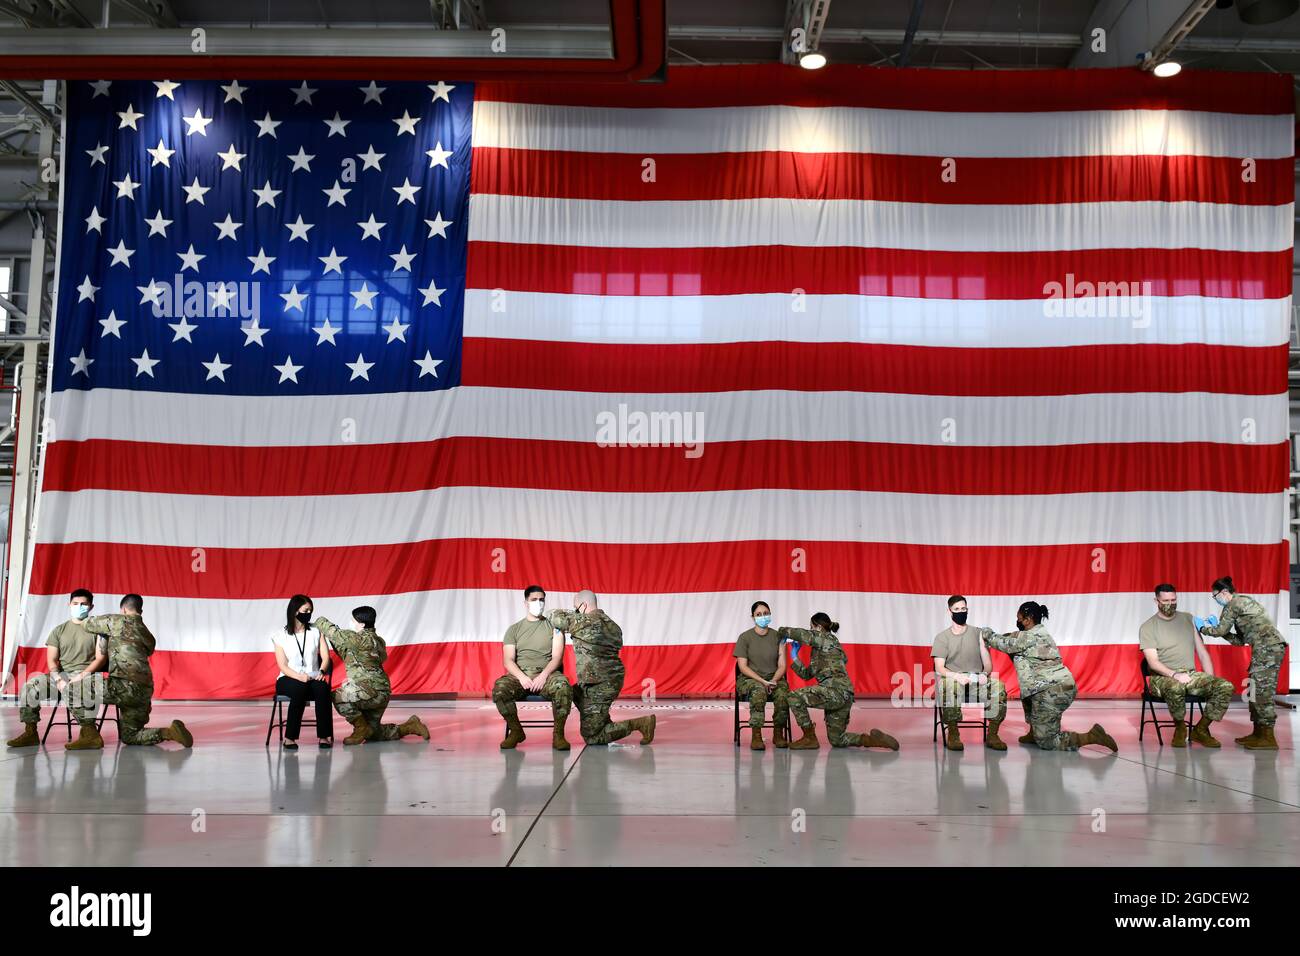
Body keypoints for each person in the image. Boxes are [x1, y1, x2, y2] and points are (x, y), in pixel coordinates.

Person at [982, 601, 1116, 753]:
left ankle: (1092, 736)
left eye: (1019, 618)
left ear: (1028, 619)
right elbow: (1012, 638)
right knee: (1030, 695)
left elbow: (1003, 643)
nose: (1018, 621)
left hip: (1051, 690)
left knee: (1048, 742)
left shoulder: (1029, 637)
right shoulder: (1038, 633)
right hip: (1054, 687)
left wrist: (985, 632)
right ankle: (1034, 732)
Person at [69, 594, 193, 749]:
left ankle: (89, 736)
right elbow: (146, 651)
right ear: (140, 610)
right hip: (144, 692)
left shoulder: (116, 620)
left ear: (124, 609)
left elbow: (87, 624)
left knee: (73, 688)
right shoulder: (147, 634)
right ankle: (169, 732)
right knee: (131, 736)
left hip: (122, 687)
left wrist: (81, 611)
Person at [546, 590, 655, 746]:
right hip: (610, 679)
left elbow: (552, 615)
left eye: (576, 607)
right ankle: (600, 719)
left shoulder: (583, 621)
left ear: (583, 606)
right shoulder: (613, 625)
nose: (575, 611)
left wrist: (572, 613)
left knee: (592, 737)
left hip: (599, 684)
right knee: (573, 692)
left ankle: (640, 723)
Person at [778, 612, 898, 750]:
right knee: (837, 739)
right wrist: (794, 656)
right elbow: (806, 674)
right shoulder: (827, 649)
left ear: (818, 627)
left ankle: (809, 737)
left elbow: (802, 634)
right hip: (844, 696)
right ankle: (871, 740)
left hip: (834, 692)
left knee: (793, 696)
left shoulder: (826, 638)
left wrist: (781, 631)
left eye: (811, 627)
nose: (810, 630)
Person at [314, 607, 429, 745]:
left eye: (353, 620)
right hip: (381, 691)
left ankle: (360, 728)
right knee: (374, 733)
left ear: (362, 624)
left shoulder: (358, 639)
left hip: (370, 691)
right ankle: (410, 726)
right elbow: (351, 654)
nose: (351, 622)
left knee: (338, 696)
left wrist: (319, 621)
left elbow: (334, 633)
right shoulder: (378, 641)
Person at [1198, 575, 1288, 750]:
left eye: (1215, 596)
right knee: (1254, 690)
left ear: (1224, 592)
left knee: (1262, 693)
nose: (1215, 599)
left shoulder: (1233, 604)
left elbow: (1220, 630)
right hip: (1265, 649)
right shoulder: (1243, 603)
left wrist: (1203, 628)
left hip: (1267, 649)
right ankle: (1258, 734)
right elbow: (1240, 641)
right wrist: (1221, 632)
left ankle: (1268, 738)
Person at [1138, 583, 1233, 748]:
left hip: (1189, 674)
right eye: (1166, 600)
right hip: (1161, 678)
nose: (1170, 604)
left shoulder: (1187, 619)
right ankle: (1180, 727)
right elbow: (1152, 662)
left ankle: (1201, 730)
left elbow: (1202, 653)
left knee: (1224, 686)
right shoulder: (1148, 627)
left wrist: (1210, 678)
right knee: (1176, 687)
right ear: (1157, 601)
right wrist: (1175, 675)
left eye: (1173, 600)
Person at [8, 588, 102, 748]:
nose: (79, 607)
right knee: (30, 686)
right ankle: (30, 732)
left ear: (91, 607)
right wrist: (58, 679)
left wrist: (81, 675)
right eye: (75, 603)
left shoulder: (98, 630)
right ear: (69, 604)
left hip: (88, 676)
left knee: (77, 688)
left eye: (84, 604)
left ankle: (90, 734)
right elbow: (51, 660)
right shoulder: (59, 630)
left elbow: (101, 658)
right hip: (62, 676)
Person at [492, 585, 572, 750]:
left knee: (563, 686)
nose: (539, 603)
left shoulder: (555, 627)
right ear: (525, 603)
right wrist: (522, 677)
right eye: (534, 600)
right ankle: (516, 731)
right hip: (520, 676)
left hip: (547, 674)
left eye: (541, 600)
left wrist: (543, 675)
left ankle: (558, 735)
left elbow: (557, 657)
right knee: (500, 689)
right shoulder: (514, 629)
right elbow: (508, 660)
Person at [932, 595, 1008, 751]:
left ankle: (992, 734)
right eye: (957, 609)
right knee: (949, 686)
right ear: (949, 611)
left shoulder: (978, 633)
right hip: (954, 679)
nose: (961, 612)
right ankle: (953, 733)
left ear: (967, 609)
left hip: (975, 680)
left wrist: (984, 675)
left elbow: (987, 664)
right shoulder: (942, 638)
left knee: (998, 686)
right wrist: (957, 676)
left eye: (963, 608)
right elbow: (939, 668)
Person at [273, 594, 334, 750]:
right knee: (299, 689)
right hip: (288, 678)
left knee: (323, 689)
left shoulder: (316, 631)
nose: (309, 613)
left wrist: (321, 670)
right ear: (295, 611)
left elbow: (326, 657)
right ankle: (290, 738)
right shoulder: (281, 635)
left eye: (310, 611)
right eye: (306, 610)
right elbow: (283, 665)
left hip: (313, 676)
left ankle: (324, 736)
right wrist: (299, 677)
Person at [734, 600, 789, 750]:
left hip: (774, 678)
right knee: (758, 692)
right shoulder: (744, 638)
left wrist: (772, 681)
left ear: (770, 614)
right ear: (752, 617)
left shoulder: (778, 636)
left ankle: (778, 733)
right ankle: (756, 735)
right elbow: (742, 666)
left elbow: (782, 665)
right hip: (750, 679)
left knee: (783, 694)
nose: (762, 616)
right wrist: (763, 681)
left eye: (765, 613)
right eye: (758, 614)